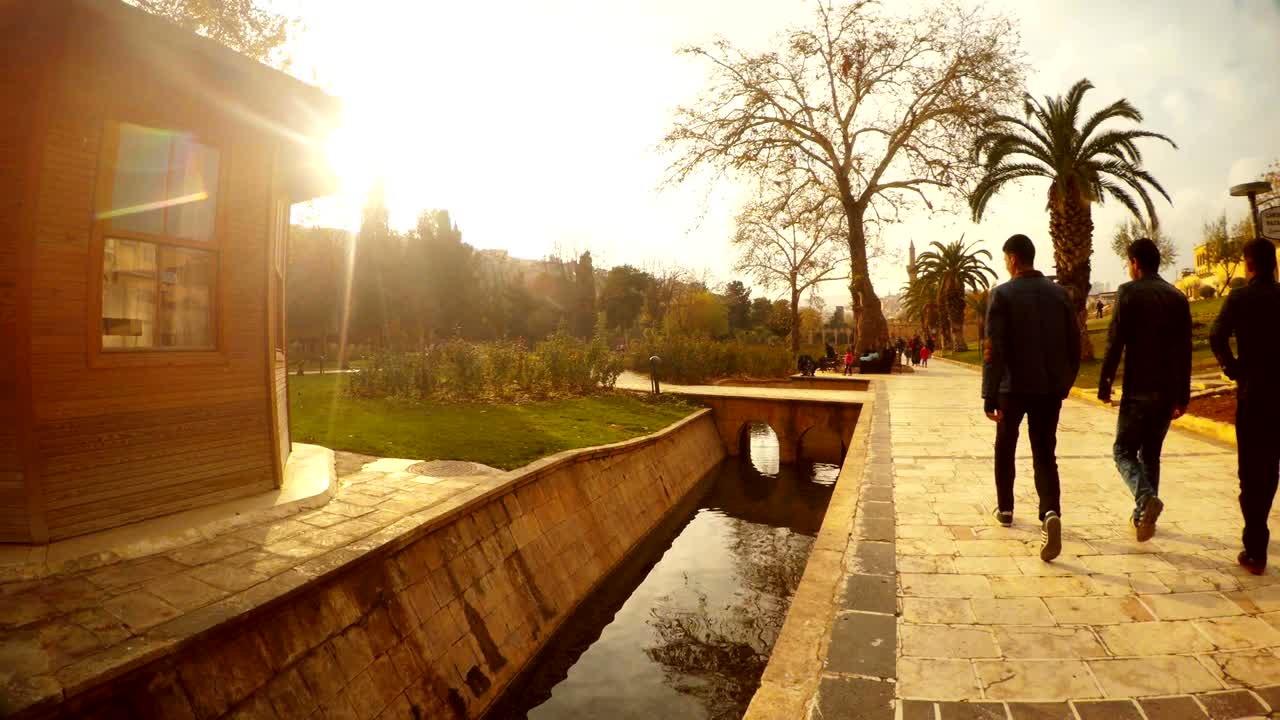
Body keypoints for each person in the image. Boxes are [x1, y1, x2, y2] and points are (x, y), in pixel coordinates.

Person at [983, 234, 1080, 561]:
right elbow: (1074, 345)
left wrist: (989, 393)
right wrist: (1064, 383)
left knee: (1005, 446)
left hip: (1012, 388)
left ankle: (1006, 509)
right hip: (1048, 389)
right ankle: (1050, 512)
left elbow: (994, 349)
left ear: (1012, 259)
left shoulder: (1002, 295)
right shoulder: (1060, 295)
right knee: (1044, 452)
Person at [1098, 238, 1191, 541]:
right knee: (1151, 454)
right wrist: (1183, 396)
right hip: (1166, 391)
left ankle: (1145, 499)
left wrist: (1105, 382)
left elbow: (1115, 342)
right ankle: (1143, 519)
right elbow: (1185, 351)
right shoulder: (1177, 297)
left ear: (1135, 263)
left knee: (1122, 451)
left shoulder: (1128, 293)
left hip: (1138, 388)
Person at [1210, 238, 1280, 575]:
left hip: (1254, 396)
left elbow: (1216, 335)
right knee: (1270, 471)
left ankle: (1256, 547)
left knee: (1252, 474)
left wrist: (1233, 367)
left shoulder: (1239, 298)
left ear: (1248, 265)